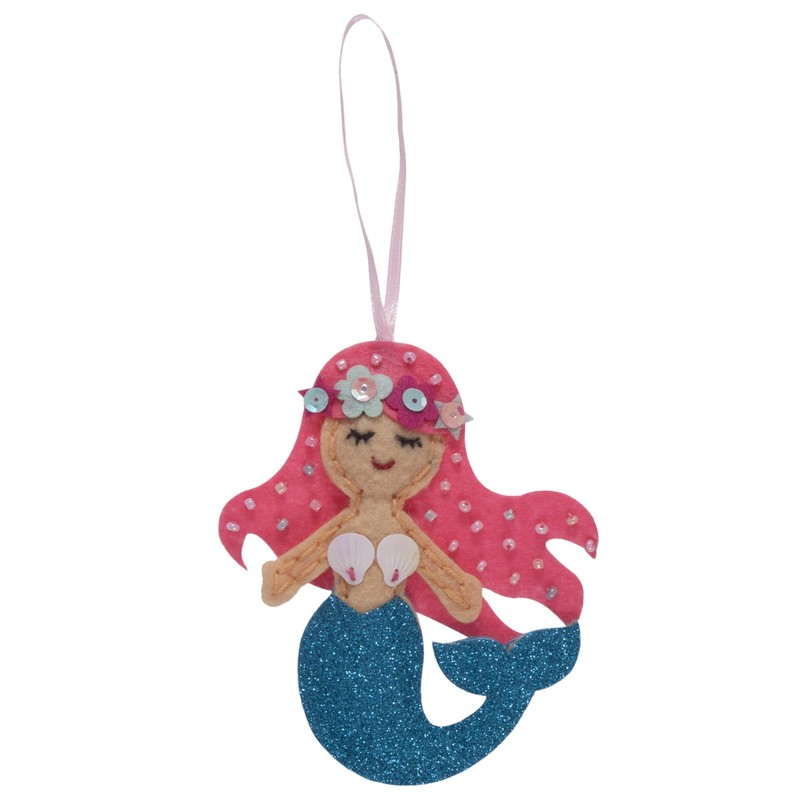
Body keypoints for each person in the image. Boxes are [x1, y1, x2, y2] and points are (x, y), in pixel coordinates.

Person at [219, 340, 597, 784]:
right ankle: (509, 684)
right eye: (360, 436)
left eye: (407, 441)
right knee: (349, 725)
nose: (383, 454)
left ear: (431, 450)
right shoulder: (351, 524)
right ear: (332, 440)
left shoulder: (403, 529)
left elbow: (450, 585)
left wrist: (461, 594)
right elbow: (299, 565)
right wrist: (282, 578)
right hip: (333, 639)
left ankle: (510, 685)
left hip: (392, 635)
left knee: (397, 737)